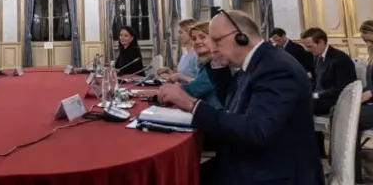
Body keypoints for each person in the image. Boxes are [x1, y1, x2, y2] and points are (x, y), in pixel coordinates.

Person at [157, 10, 324, 185]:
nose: (212, 48)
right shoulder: (256, 63)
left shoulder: (275, 68)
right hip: (253, 161)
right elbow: (230, 107)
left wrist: (190, 103)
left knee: (173, 179)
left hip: (273, 173)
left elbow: (256, 131)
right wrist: (218, 65)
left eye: (217, 41)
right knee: (174, 176)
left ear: (241, 37)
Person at [301, 27, 356, 157]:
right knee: (299, 101)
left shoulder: (339, 59)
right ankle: (316, 149)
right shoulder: (317, 57)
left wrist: (315, 95)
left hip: (338, 99)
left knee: (303, 106)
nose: (307, 50)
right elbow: (318, 81)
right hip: (322, 97)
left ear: (321, 42)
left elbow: (341, 88)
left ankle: (313, 150)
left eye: (310, 46)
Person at [177, 21, 231, 109]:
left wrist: (170, 91)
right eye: (194, 39)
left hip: (217, 114)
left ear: (214, 39)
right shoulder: (205, 63)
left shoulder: (217, 62)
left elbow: (196, 89)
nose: (197, 41)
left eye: (202, 37)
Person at [355, 20, 373, 183]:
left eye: (368, 40)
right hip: (370, 101)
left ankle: (354, 171)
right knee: (337, 111)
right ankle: (341, 164)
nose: (367, 43)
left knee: (352, 119)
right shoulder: (371, 56)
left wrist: (370, 93)